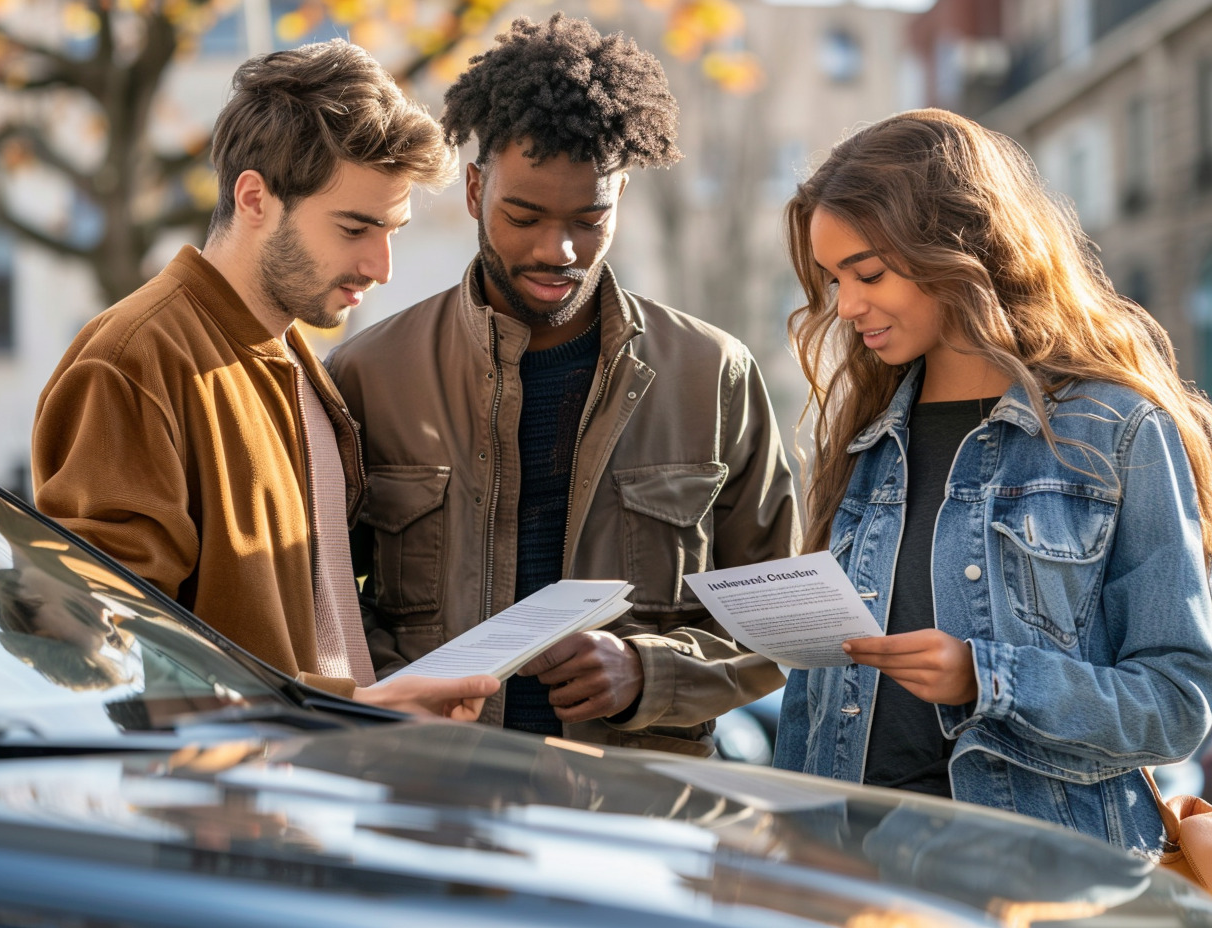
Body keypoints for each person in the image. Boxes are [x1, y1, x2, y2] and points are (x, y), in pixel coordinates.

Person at [326, 13, 800, 756]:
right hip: (431, 803)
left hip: (641, 820)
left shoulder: (714, 376)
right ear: (476, 188)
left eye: (590, 218)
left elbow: (781, 626)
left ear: (623, 201)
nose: (559, 250)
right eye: (524, 215)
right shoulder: (366, 375)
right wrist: (396, 694)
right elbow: (321, 606)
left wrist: (652, 673)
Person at [771, 107, 1212, 853]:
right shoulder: (864, 439)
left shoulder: (1118, 430)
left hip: (1040, 881)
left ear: (957, 246)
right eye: (833, 279)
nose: (846, 307)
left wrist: (991, 678)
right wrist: (780, 851)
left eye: (869, 273)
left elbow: (1175, 705)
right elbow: (815, 701)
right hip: (850, 876)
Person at [31, 40, 497, 721]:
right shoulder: (135, 361)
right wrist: (349, 706)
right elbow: (114, 652)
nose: (381, 265)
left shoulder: (297, 360)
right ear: (255, 197)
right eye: (355, 227)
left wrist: (374, 706)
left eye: (392, 230)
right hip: (214, 810)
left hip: (310, 789)